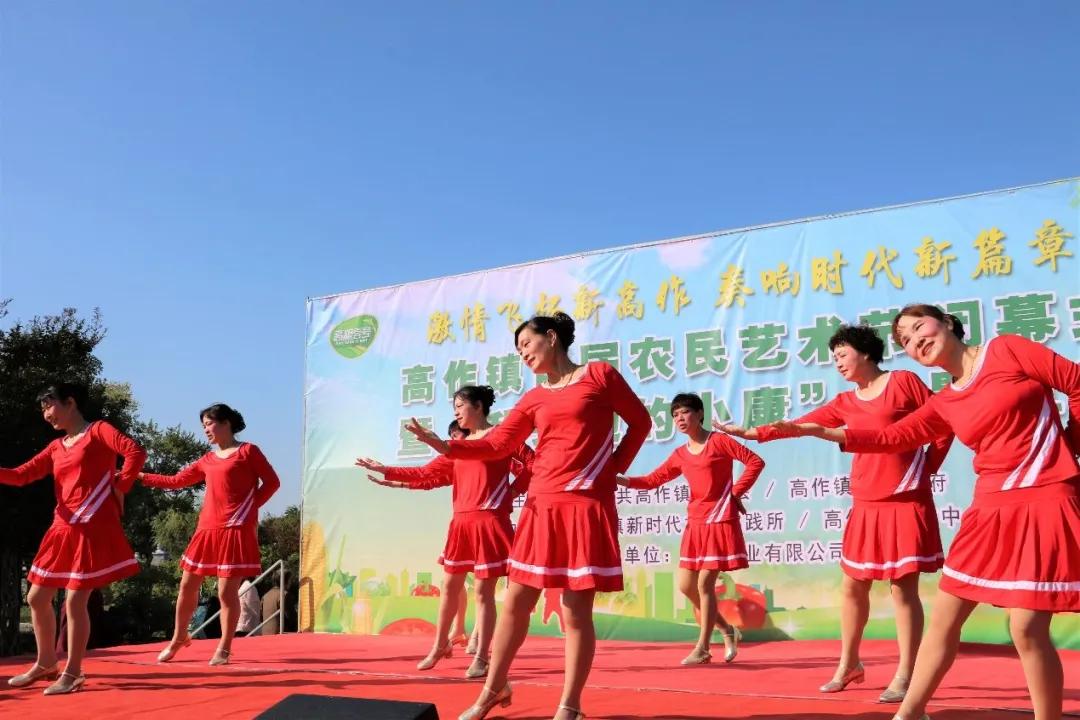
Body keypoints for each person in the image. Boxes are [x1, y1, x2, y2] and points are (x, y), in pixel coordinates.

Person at [751, 305, 1080, 720]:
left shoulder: (1007, 350)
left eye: (918, 327)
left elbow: (1076, 382)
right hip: (990, 509)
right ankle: (909, 713)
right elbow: (893, 436)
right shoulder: (946, 400)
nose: (915, 340)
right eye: (905, 340)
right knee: (945, 619)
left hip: (1045, 497)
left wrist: (1072, 443)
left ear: (946, 323)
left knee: (1026, 628)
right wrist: (820, 430)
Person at [406, 312, 651, 720]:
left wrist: (611, 468)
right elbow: (499, 444)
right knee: (516, 602)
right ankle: (492, 690)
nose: (522, 354)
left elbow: (640, 423)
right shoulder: (535, 397)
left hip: (585, 507)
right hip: (541, 505)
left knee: (575, 612)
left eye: (526, 345)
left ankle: (569, 706)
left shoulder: (600, 375)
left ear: (550, 338)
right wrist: (446, 446)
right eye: (518, 350)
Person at [719, 324, 951, 702]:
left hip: (905, 500)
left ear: (864, 352)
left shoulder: (904, 382)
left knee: (901, 588)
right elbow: (802, 425)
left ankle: (907, 673)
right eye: (834, 358)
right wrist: (752, 433)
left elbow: (942, 423)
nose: (838, 363)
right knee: (852, 585)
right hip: (866, 501)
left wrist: (926, 469)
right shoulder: (847, 401)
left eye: (842, 355)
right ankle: (849, 664)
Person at [358, 387, 534, 679]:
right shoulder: (459, 447)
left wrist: (512, 491)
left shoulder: (503, 436)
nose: (455, 412)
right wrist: (385, 469)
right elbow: (425, 473)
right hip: (461, 524)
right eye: (454, 407)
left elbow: (532, 464)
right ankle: (441, 644)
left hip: (490, 522)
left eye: (460, 406)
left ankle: (480, 656)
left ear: (478, 407)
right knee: (450, 586)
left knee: (482, 592)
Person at [2, 382, 146, 695]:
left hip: (92, 526)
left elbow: (134, 451)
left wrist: (121, 485)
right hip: (62, 528)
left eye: (48, 405)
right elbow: (20, 474)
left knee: (74, 599)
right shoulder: (56, 447)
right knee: (37, 597)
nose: (45, 414)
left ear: (70, 403)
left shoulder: (99, 431)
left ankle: (73, 672)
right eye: (42, 408)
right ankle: (46, 663)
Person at [620, 392, 764, 665]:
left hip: (720, 520)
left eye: (685, 413)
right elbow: (653, 480)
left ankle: (703, 647)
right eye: (675, 415)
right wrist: (621, 480)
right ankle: (727, 629)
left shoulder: (719, 442)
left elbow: (755, 462)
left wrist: (735, 493)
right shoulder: (680, 454)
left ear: (699, 414)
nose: (680, 419)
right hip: (696, 523)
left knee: (705, 584)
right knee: (687, 586)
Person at [140, 403, 280, 666]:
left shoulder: (248, 451)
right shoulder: (207, 460)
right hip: (206, 530)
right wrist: (142, 476)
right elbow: (177, 481)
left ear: (226, 423)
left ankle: (224, 648)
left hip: (235, 531)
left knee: (227, 594)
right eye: (203, 425)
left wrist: (249, 509)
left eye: (209, 423)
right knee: (186, 585)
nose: (206, 429)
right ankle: (179, 637)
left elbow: (272, 482)